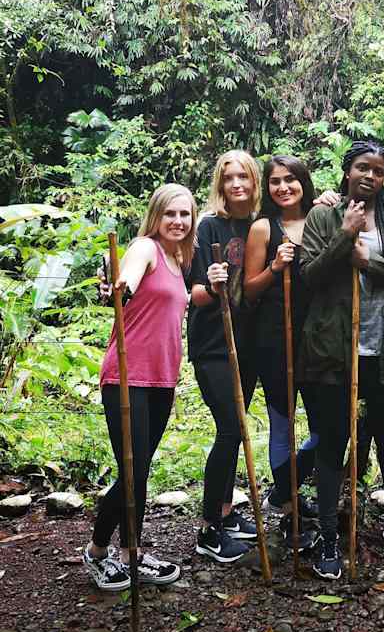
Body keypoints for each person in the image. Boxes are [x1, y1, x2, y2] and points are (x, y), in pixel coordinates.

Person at [299, 141, 384, 580]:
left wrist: (369, 263)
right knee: (332, 443)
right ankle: (330, 535)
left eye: (378, 170)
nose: (369, 176)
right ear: (347, 171)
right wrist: (344, 236)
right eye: (361, 168)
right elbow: (309, 275)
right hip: (335, 351)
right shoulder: (323, 216)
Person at [83, 184, 195, 590]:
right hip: (127, 375)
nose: (178, 222)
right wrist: (118, 287)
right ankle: (97, 552)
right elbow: (125, 279)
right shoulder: (145, 247)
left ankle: (132, 553)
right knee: (134, 471)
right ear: (156, 216)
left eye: (185, 215)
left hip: (162, 379)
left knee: (140, 471)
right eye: (171, 214)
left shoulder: (178, 259)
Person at [243, 155, 336, 550]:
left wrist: (334, 202)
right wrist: (276, 268)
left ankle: (284, 487)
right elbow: (247, 290)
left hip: (316, 341)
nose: (284, 187)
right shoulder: (264, 227)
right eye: (276, 181)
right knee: (282, 424)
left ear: (304, 182)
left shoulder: (321, 217)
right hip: (274, 340)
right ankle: (287, 505)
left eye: (291, 180)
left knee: (325, 429)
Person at [190, 150, 263, 563]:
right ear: (220, 183)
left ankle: (225, 510)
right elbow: (194, 294)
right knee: (230, 428)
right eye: (229, 177)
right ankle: (208, 528)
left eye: (244, 177)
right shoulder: (206, 226)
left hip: (248, 344)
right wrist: (213, 284)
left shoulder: (257, 224)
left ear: (254, 183)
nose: (237, 184)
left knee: (237, 428)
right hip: (214, 343)